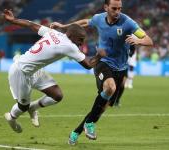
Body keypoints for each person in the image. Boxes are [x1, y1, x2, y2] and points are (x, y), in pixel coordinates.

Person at [51, 0, 153, 145]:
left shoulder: (128, 23)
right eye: (114, 8)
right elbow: (86, 22)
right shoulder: (99, 18)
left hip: (121, 68)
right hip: (103, 62)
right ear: (106, 7)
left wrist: (138, 40)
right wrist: (64, 26)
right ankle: (90, 123)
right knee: (110, 87)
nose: (117, 11)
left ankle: (76, 131)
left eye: (120, 8)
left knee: (101, 107)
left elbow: (149, 40)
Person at [3, 9, 106, 133]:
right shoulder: (69, 46)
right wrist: (99, 55)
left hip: (34, 70)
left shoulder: (53, 33)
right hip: (21, 72)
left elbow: (31, 24)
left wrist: (14, 21)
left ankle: (32, 108)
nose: (81, 43)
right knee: (23, 106)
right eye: (80, 39)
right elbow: (88, 65)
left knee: (57, 95)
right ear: (71, 36)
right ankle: (12, 118)